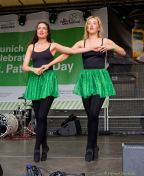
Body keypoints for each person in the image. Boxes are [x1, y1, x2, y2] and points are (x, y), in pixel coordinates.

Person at [40, 16, 126, 162]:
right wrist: (48, 65)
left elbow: (122, 52)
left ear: (99, 27)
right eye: (89, 24)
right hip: (86, 79)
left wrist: (112, 47)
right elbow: (65, 55)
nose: (92, 26)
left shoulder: (105, 41)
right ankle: (94, 146)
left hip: (100, 79)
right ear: (86, 27)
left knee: (94, 112)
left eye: (95, 24)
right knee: (90, 115)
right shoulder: (82, 43)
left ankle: (89, 147)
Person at [22, 21, 97, 163]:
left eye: (44, 28)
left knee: (43, 115)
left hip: (48, 81)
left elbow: (72, 51)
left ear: (48, 31)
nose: (41, 30)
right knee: (39, 117)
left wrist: (91, 47)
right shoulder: (31, 47)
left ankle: (37, 148)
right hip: (35, 81)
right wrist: (34, 69)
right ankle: (44, 146)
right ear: (36, 31)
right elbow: (24, 66)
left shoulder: (53, 46)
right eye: (39, 28)